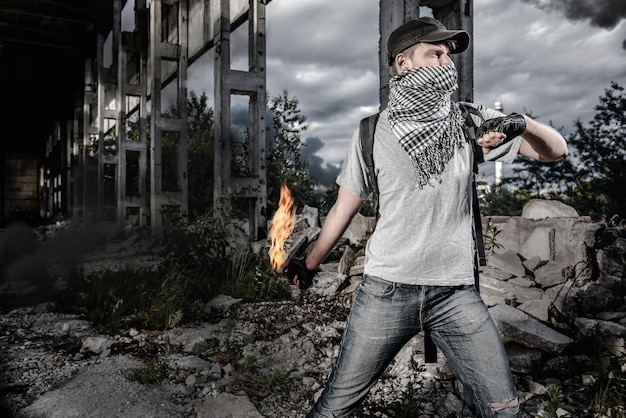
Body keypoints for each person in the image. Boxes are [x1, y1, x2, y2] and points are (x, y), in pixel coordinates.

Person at [286, 16, 568, 418]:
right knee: (335, 409)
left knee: (503, 410)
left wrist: (521, 124)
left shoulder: (470, 122)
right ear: (403, 62)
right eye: (435, 53)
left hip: (455, 293)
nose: (447, 62)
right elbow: (342, 209)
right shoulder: (371, 132)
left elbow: (555, 152)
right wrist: (309, 264)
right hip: (385, 290)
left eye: (449, 55)